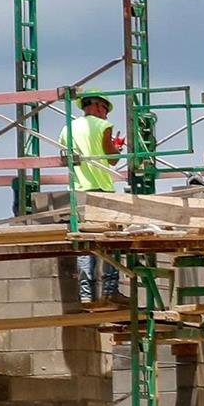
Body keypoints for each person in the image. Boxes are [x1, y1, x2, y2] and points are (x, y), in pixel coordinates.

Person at [59, 90, 128, 305]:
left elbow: (66, 159)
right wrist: (117, 146)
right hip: (102, 191)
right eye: (105, 110)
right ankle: (109, 290)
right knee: (111, 241)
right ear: (98, 106)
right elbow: (113, 159)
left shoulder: (66, 129)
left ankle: (86, 295)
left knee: (85, 243)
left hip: (79, 192)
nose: (106, 115)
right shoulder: (102, 126)